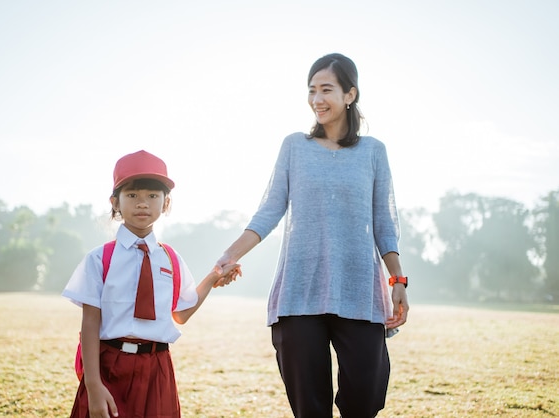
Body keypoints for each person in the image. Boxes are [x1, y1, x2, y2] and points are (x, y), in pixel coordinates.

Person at [214, 53, 409, 418]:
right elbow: (269, 210)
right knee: (309, 407)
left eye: (326, 89)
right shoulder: (294, 147)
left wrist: (397, 279)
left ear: (350, 95)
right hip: (300, 292)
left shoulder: (373, 152)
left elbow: (384, 223)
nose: (317, 99)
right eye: (311, 90)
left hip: (358, 291)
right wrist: (231, 254)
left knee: (365, 399)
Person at [62, 150, 239, 418]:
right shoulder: (100, 259)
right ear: (115, 202)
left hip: (158, 367)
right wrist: (93, 385)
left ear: (166, 203)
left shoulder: (171, 258)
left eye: (153, 196)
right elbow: (89, 323)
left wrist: (213, 278)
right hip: (110, 365)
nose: (142, 204)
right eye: (132, 195)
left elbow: (181, 313)